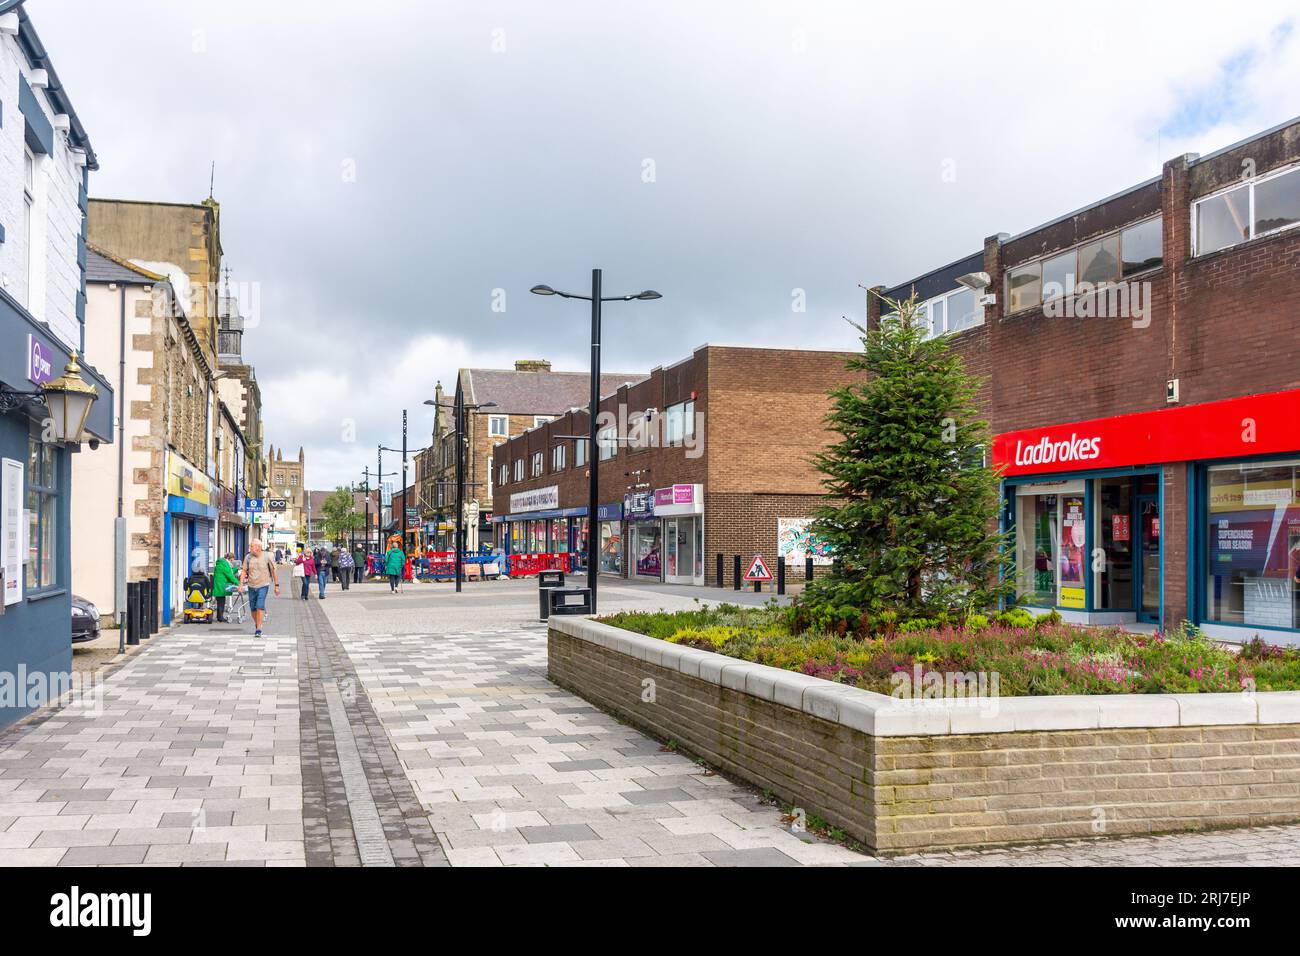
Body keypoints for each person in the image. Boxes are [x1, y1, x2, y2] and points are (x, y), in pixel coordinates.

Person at [239, 538, 279, 638]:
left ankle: (259, 628)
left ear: (258, 547)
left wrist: (276, 586)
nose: (250, 548)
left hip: (263, 585)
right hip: (251, 585)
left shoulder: (267, 556)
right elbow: (244, 571)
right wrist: (240, 585)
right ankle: (258, 623)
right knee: (253, 609)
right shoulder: (248, 557)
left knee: (259, 605)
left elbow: (274, 571)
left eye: (251, 546)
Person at [212, 552, 239, 622]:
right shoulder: (224, 564)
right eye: (232, 560)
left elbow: (229, 572)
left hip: (219, 585)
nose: (233, 562)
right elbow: (230, 576)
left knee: (220, 601)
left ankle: (219, 616)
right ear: (229, 558)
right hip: (221, 586)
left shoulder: (222, 563)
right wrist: (239, 584)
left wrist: (237, 569)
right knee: (221, 602)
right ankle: (220, 618)